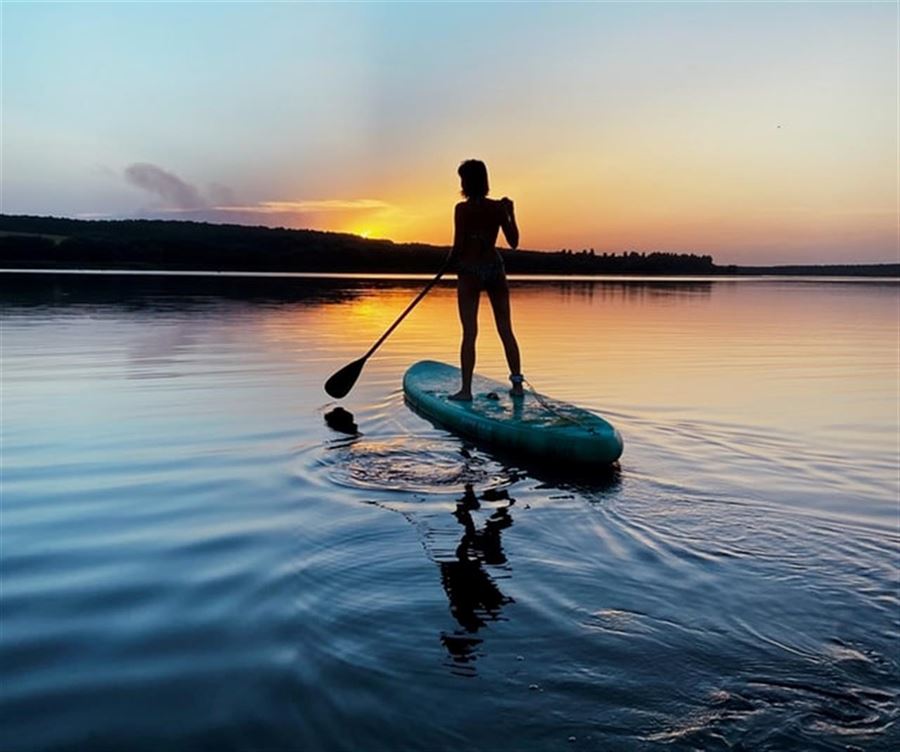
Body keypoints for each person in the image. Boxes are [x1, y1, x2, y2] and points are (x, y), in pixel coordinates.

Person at [448, 159, 523, 401]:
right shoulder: (498, 208)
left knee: (469, 332)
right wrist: (510, 214)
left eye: (462, 179)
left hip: (470, 271)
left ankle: (466, 391)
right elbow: (513, 241)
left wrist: (449, 262)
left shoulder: (461, 209)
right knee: (505, 329)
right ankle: (517, 385)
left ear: (467, 182)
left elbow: (458, 247)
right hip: (494, 269)